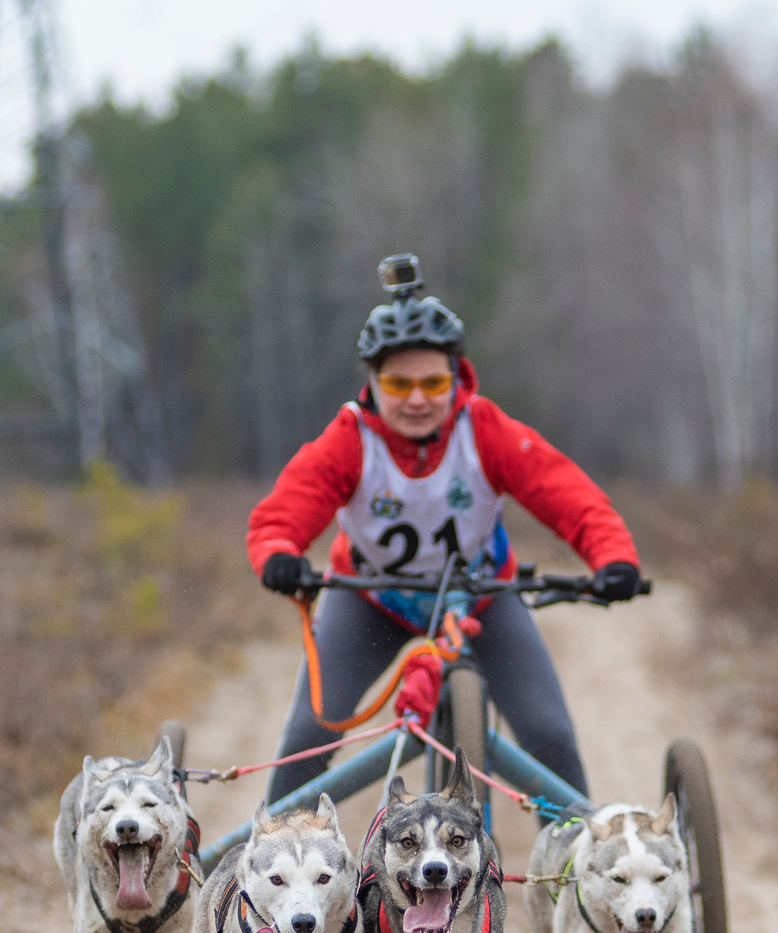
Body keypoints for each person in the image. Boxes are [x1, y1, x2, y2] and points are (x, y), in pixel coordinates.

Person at [247, 255, 641, 803]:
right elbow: (285, 511)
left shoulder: (485, 429)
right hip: (372, 601)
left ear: (457, 377)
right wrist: (278, 553)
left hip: (481, 598)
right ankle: (276, 847)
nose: (416, 399)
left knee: (548, 734)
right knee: (308, 737)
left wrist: (613, 558)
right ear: (373, 382)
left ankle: (571, 851)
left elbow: (568, 495)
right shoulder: (350, 438)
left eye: (433, 382)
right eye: (398, 382)